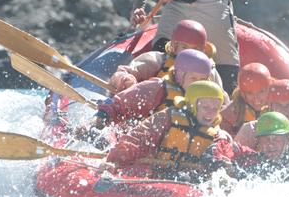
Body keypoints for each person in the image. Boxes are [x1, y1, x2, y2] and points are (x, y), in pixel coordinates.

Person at [105, 81, 229, 182]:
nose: (211, 113)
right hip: (153, 172)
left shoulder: (217, 135)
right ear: (192, 105)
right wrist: (115, 161)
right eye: (205, 107)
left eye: (215, 108)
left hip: (185, 179)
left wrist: (219, 163)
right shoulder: (167, 118)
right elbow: (136, 139)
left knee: (189, 178)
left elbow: (223, 156)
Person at [76, 49, 216, 139]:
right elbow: (116, 105)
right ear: (180, 75)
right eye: (193, 79)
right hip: (142, 147)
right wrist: (93, 122)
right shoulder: (156, 88)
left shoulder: (210, 101)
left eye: (203, 79)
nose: (198, 84)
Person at [202, 111, 289, 197]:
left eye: (277, 139)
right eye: (266, 139)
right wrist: (221, 140)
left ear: (288, 140)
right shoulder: (248, 156)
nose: (271, 144)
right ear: (258, 141)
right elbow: (214, 153)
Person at [109, 19, 222, 91]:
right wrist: (127, 80)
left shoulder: (210, 72)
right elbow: (123, 72)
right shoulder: (157, 60)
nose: (190, 53)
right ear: (174, 46)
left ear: (202, 50)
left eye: (195, 49)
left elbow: (221, 98)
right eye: (184, 47)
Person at [220, 63, 272, 136]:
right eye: (250, 93)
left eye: (261, 92)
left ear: (269, 89)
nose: (256, 99)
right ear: (243, 94)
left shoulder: (276, 105)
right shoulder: (229, 115)